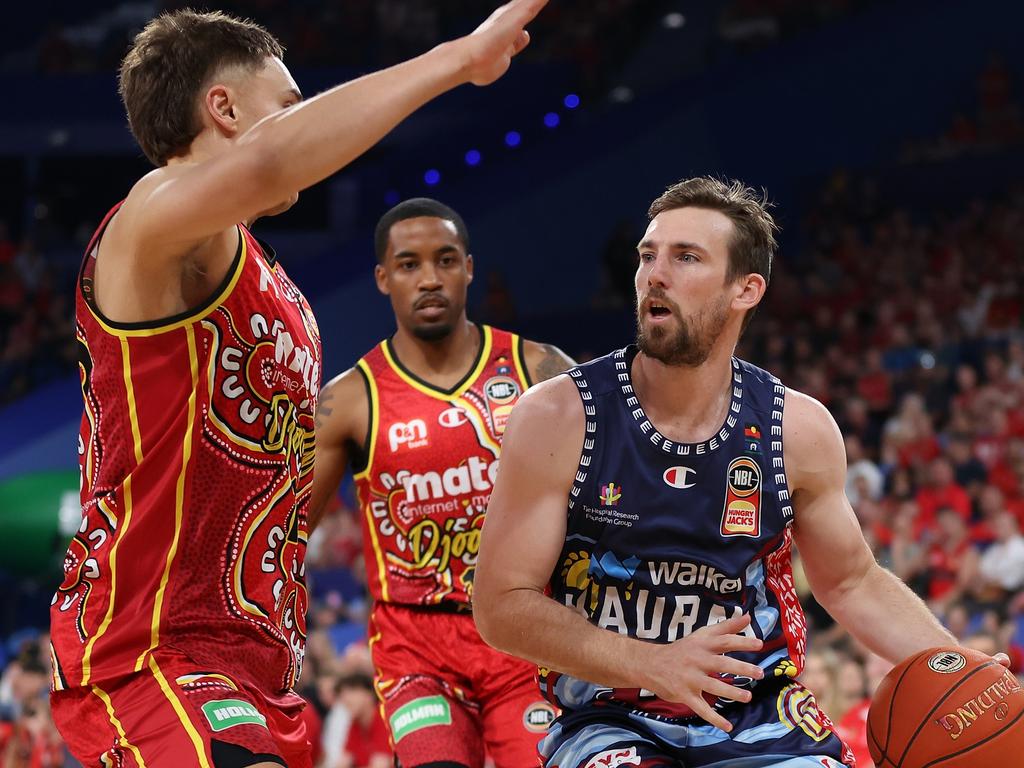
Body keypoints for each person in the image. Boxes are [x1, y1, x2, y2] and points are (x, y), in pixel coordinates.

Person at [48, 3, 549, 766]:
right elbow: (267, 161)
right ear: (224, 107)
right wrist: (458, 59)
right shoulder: (150, 220)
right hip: (154, 654)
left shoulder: (262, 273)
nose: (302, 121)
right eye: (289, 104)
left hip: (254, 662)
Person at [473, 177, 1008, 767]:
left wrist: (966, 673)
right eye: (648, 255)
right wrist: (649, 661)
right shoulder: (558, 416)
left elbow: (851, 581)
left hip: (761, 716)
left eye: (686, 257)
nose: (655, 273)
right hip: (611, 719)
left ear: (745, 290)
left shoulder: (795, 428)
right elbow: (501, 605)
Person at [311, 197, 574, 767]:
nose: (429, 278)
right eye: (409, 265)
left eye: (446, 260)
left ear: (469, 268)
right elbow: (280, 532)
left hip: (523, 636)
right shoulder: (351, 399)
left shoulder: (540, 370)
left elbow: (608, 500)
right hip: (415, 651)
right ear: (383, 278)